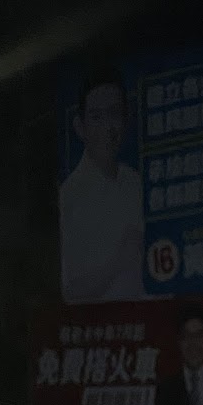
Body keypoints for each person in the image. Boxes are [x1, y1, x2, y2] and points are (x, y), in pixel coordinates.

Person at [58, 64, 145, 303]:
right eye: (97, 117)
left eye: (115, 114)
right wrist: (118, 262)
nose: (108, 128)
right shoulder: (70, 196)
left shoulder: (134, 182)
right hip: (98, 323)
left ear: (126, 119)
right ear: (80, 126)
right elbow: (71, 290)